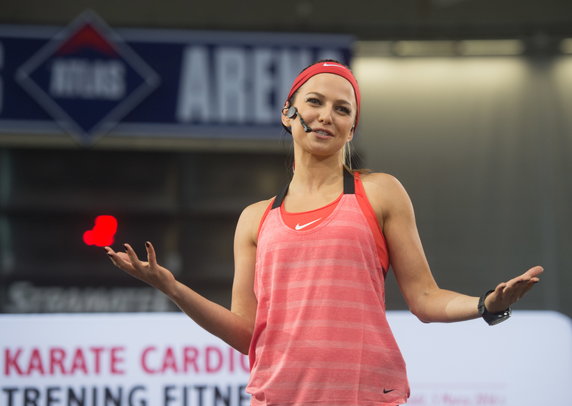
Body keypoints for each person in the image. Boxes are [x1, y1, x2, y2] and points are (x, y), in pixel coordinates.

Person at [105, 60, 543, 406]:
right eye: (314, 102)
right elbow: (247, 334)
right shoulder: (255, 219)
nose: (325, 116)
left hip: (366, 396)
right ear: (288, 113)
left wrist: (487, 305)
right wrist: (172, 287)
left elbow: (425, 300)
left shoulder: (381, 193)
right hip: (275, 398)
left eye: (342, 109)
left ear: (353, 127)